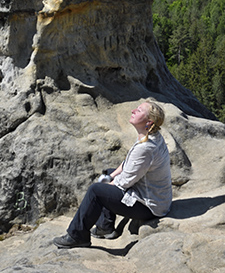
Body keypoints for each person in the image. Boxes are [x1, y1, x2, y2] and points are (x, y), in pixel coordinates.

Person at [53, 99, 172, 248]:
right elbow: (129, 162)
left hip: (149, 207)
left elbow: (125, 182)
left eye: (139, 110)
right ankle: (105, 227)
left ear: (149, 122)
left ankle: (77, 236)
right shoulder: (150, 137)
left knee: (96, 190)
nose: (133, 111)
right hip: (156, 197)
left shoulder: (146, 147)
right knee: (108, 174)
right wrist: (110, 176)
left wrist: (108, 184)